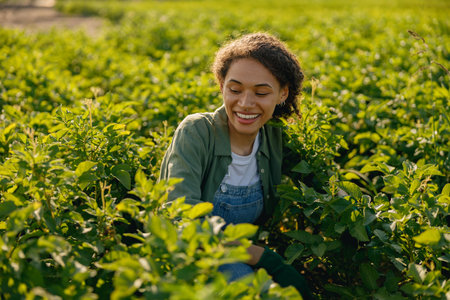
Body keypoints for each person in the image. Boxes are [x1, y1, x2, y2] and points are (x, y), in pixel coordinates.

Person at [159, 32, 313, 299]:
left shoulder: (274, 138)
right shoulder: (196, 131)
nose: (245, 103)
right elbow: (183, 215)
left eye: (261, 92)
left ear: (282, 93)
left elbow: (319, 185)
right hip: (191, 256)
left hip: (241, 255)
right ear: (221, 85)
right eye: (235, 89)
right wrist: (266, 259)